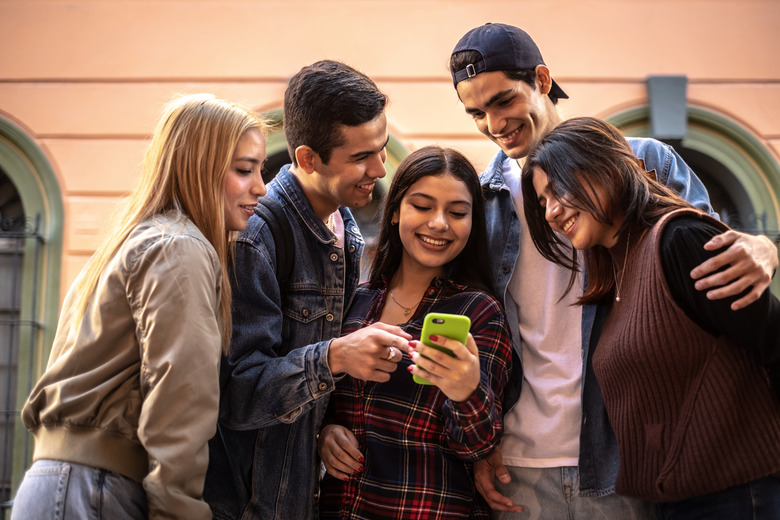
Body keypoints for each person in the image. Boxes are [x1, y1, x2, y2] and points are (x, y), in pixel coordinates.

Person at [448, 23, 780, 519]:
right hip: (520, 462)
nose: (494, 124)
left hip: (632, 457)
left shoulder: (642, 161)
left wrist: (764, 247)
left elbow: (713, 264)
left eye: (503, 101)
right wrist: (479, 443)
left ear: (542, 80)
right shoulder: (481, 200)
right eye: (476, 113)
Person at [11, 93, 269, 519]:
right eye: (244, 170)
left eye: (260, 170)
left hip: (66, 485)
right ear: (198, 166)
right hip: (95, 489)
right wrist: (179, 511)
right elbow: (180, 401)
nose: (261, 186)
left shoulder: (139, 240)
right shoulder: (179, 249)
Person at [522, 115, 780, 519]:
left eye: (559, 190)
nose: (551, 212)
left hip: (738, 493)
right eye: (542, 203)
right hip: (678, 500)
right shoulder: (618, 268)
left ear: (608, 169)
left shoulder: (679, 240)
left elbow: (773, 341)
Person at [204, 60, 412, 520]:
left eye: (381, 150)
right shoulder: (256, 237)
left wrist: (326, 428)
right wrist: (334, 357)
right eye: (361, 157)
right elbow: (237, 395)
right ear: (307, 159)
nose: (379, 169)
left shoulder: (345, 228)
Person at [317, 145, 514, 519]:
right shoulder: (354, 300)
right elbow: (323, 399)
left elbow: (479, 446)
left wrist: (466, 391)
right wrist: (324, 434)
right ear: (394, 212)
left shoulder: (478, 311)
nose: (439, 223)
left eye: (457, 213)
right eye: (422, 206)